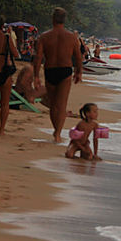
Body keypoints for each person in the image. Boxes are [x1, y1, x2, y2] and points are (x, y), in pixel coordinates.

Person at [33, 7, 82, 142]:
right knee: (61, 105)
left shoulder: (44, 37)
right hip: (65, 70)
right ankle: (58, 133)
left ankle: (56, 130)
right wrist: (79, 72)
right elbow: (78, 57)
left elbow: (38, 58)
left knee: (54, 104)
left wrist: (36, 76)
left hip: (50, 70)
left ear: (52, 19)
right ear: (64, 20)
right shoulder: (72, 37)